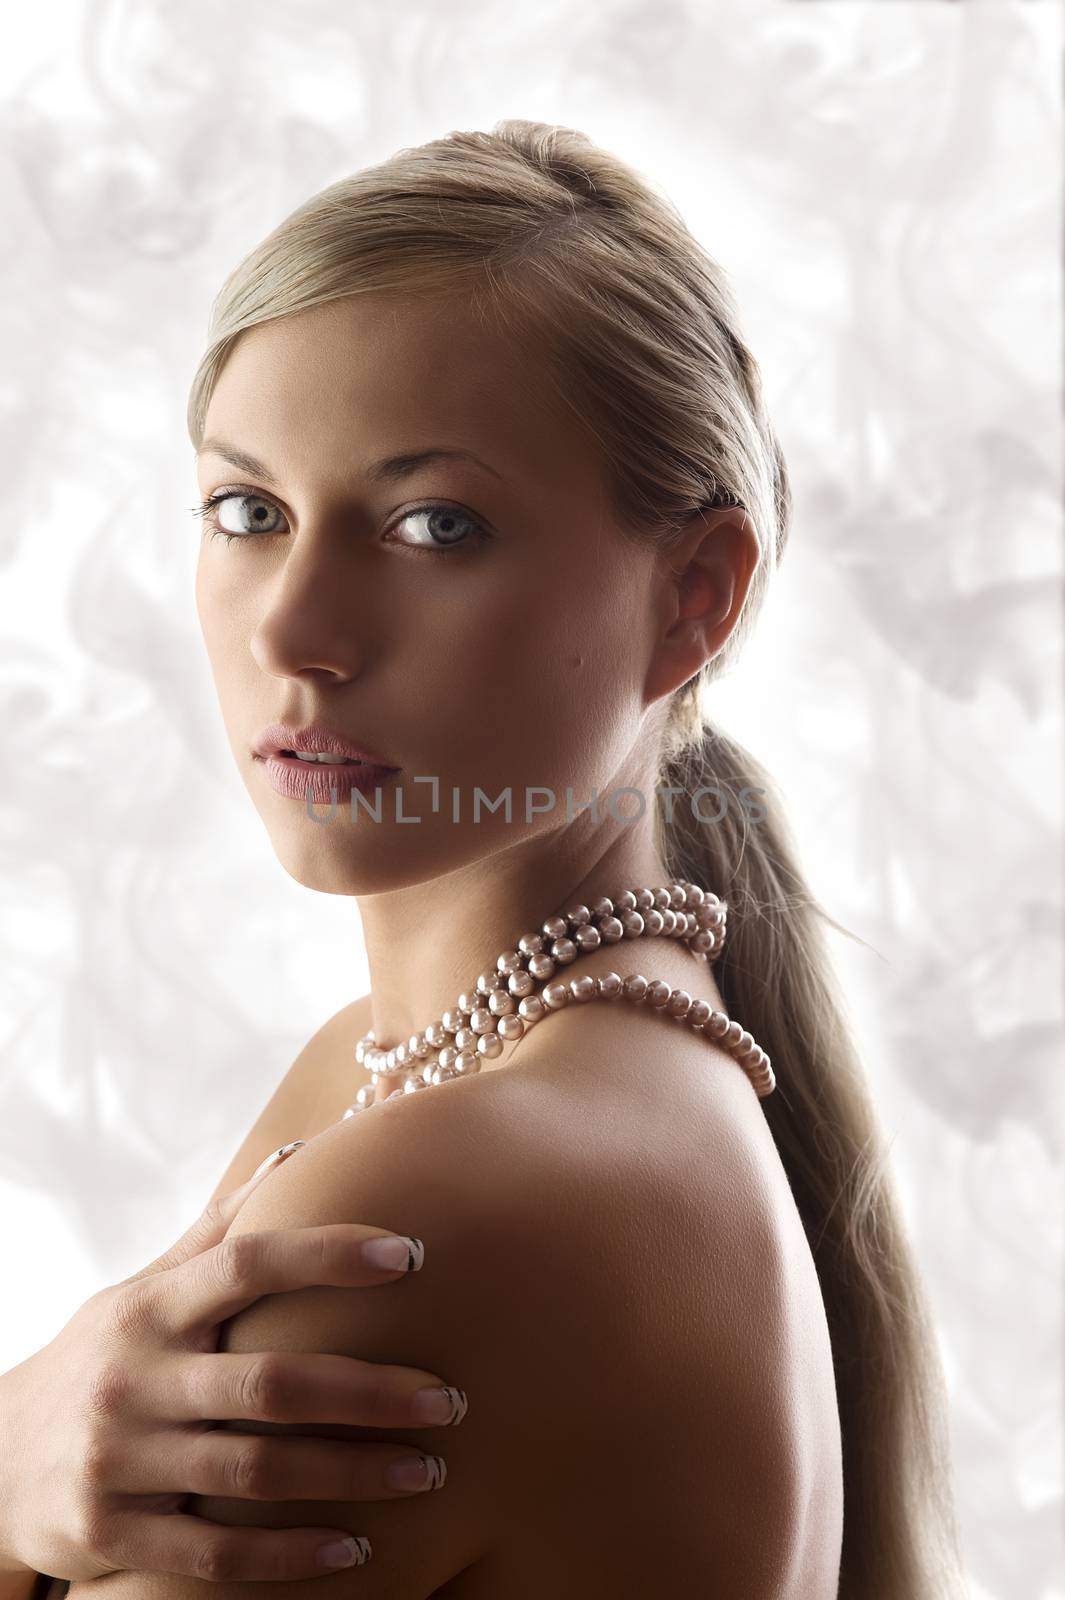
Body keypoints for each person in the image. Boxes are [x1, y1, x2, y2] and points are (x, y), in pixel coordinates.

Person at [9, 119, 966, 1598]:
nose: (290, 631)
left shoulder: (450, 1188)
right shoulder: (421, 1073)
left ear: (694, 598)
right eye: (247, 510)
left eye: (431, 523)